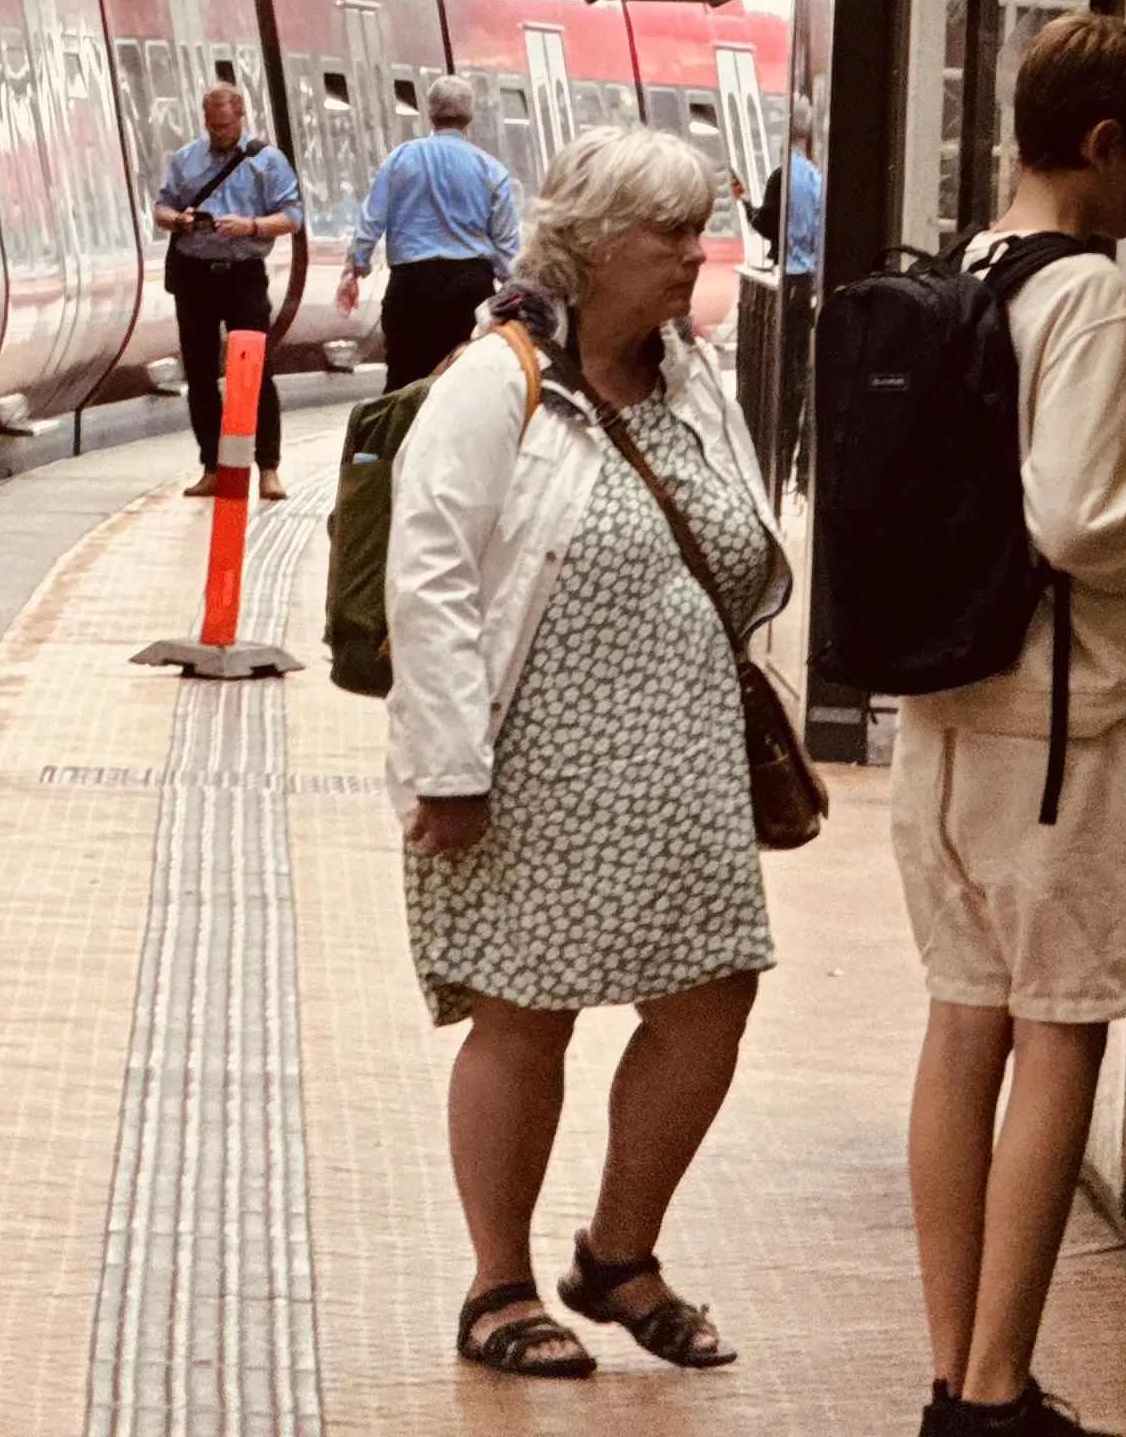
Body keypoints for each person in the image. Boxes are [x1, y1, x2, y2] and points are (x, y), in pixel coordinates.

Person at [386, 123, 784, 1382]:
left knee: (714, 997)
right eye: (667, 234)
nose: (692, 254)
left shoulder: (690, 378)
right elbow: (431, 580)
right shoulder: (496, 381)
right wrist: (447, 767)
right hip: (534, 768)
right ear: (592, 248)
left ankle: (618, 1254)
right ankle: (498, 1285)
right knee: (525, 1015)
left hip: (687, 768)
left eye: (696, 228)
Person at [896, 15, 1126, 1437]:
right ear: (1104, 146)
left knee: (962, 1028)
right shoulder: (1093, 297)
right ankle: (997, 1391)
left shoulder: (965, 267)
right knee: (1062, 1035)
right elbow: (1078, 517)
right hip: (1060, 730)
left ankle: (953, 1369)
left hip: (944, 715)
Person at [155, 80, 300, 499]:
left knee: (254, 371)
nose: (218, 133)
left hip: (243, 275)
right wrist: (180, 220)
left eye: (224, 125)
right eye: (211, 125)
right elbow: (161, 208)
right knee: (200, 375)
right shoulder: (186, 160)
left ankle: (268, 467)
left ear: (240, 116)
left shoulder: (267, 162)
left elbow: (292, 216)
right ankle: (211, 468)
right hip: (194, 275)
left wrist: (250, 225)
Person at [339, 74, 524, 389]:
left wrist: (353, 271)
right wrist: (514, 287)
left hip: (411, 286)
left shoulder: (400, 159)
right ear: (471, 114)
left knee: (403, 382)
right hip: (470, 287)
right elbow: (507, 246)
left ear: (430, 112)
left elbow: (371, 218)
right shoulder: (490, 169)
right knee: (466, 383)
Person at [750, 96, 825, 286]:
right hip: (813, 270)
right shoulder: (815, 176)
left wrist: (748, 209)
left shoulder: (781, 177)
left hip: (792, 270)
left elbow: (768, 224)